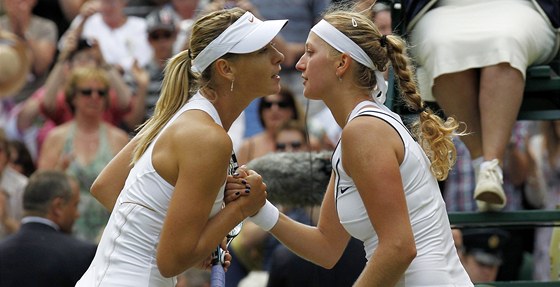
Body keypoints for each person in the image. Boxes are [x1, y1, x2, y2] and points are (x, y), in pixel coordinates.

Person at [228, 7, 473, 286]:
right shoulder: (355, 134)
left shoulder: (364, 131)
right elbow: (326, 247)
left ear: (341, 63)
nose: (299, 64)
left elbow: (399, 248)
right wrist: (260, 209)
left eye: (310, 52)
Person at [75, 8, 286, 286]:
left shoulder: (183, 116)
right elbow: (171, 261)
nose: (279, 56)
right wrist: (242, 208)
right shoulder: (207, 137)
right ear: (226, 68)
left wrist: (188, 239)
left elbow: (106, 186)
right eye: (262, 49)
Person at [402, 0, 559, 210]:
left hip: (521, 7)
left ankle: (491, 167)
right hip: (442, 9)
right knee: (442, 44)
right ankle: (481, 166)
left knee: (506, 39)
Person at [37, 66, 129, 242]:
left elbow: (127, 189)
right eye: (87, 92)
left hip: (107, 232)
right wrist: (59, 171)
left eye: (101, 93)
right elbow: (41, 189)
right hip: (65, 234)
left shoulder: (119, 139)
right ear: (73, 97)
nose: (94, 97)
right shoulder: (57, 137)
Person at [0, 170, 97, 287]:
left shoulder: (3, 251)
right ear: (58, 206)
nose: (77, 214)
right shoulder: (83, 255)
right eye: (75, 205)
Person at [0, 0, 58, 103]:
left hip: (33, 99)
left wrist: (24, 33)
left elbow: (40, 67)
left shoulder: (46, 27)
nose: (17, 2)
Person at [525, 120, 560, 281]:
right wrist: (532, 169)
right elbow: (535, 199)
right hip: (549, 219)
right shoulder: (537, 145)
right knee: (547, 267)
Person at [236, 86, 305, 164]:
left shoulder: (309, 142)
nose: (274, 109)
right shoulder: (248, 147)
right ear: (261, 112)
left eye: (282, 104)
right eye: (268, 105)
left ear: (292, 110)